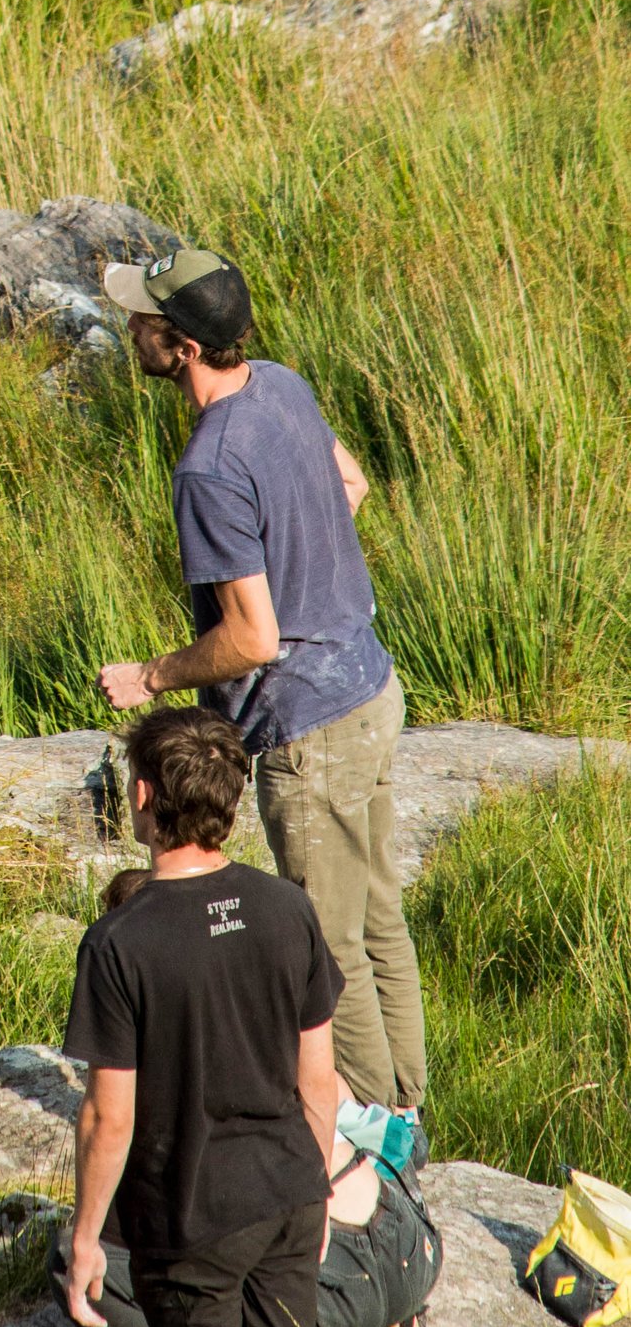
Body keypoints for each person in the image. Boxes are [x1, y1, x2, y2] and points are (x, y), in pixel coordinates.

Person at [96, 242, 424, 1133]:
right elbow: (347, 482)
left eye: (144, 319)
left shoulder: (207, 468)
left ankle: (361, 1134)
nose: (131, 327)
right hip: (370, 683)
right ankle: (405, 1111)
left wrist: (150, 678)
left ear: (184, 347)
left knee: (324, 948)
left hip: (308, 726)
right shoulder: (281, 383)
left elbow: (252, 637)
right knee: (379, 916)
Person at [64, 705, 343, 1327]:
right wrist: (312, 1183)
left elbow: (110, 1116)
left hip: (188, 1218)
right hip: (291, 1192)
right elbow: (320, 1080)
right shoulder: (285, 908)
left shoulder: (120, 941)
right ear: (228, 798)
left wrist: (83, 1239)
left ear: (145, 796)